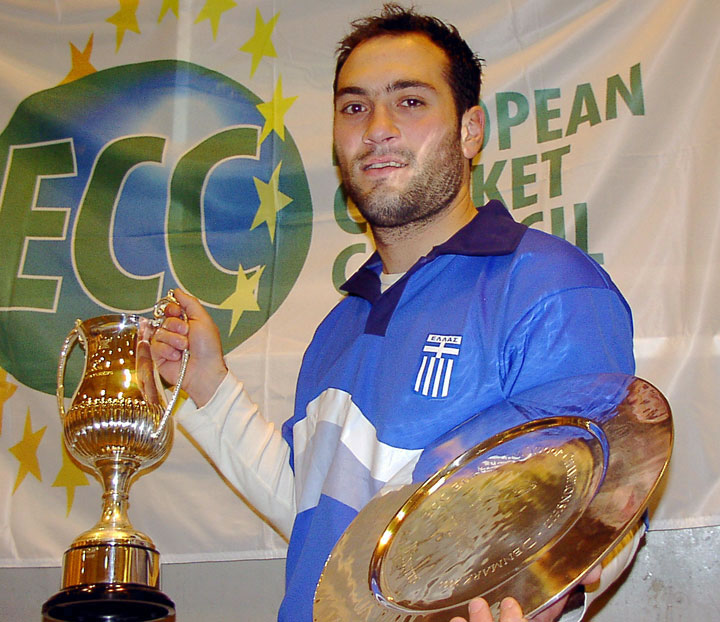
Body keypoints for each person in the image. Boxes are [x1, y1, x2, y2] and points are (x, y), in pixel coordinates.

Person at [151, 5, 642, 622]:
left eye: (409, 102)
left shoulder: (549, 285)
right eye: (355, 107)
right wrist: (208, 387)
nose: (377, 128)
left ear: (470, 131)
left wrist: (555, 573)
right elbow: (314, 518)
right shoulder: (340, 325)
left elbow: (608, 505)